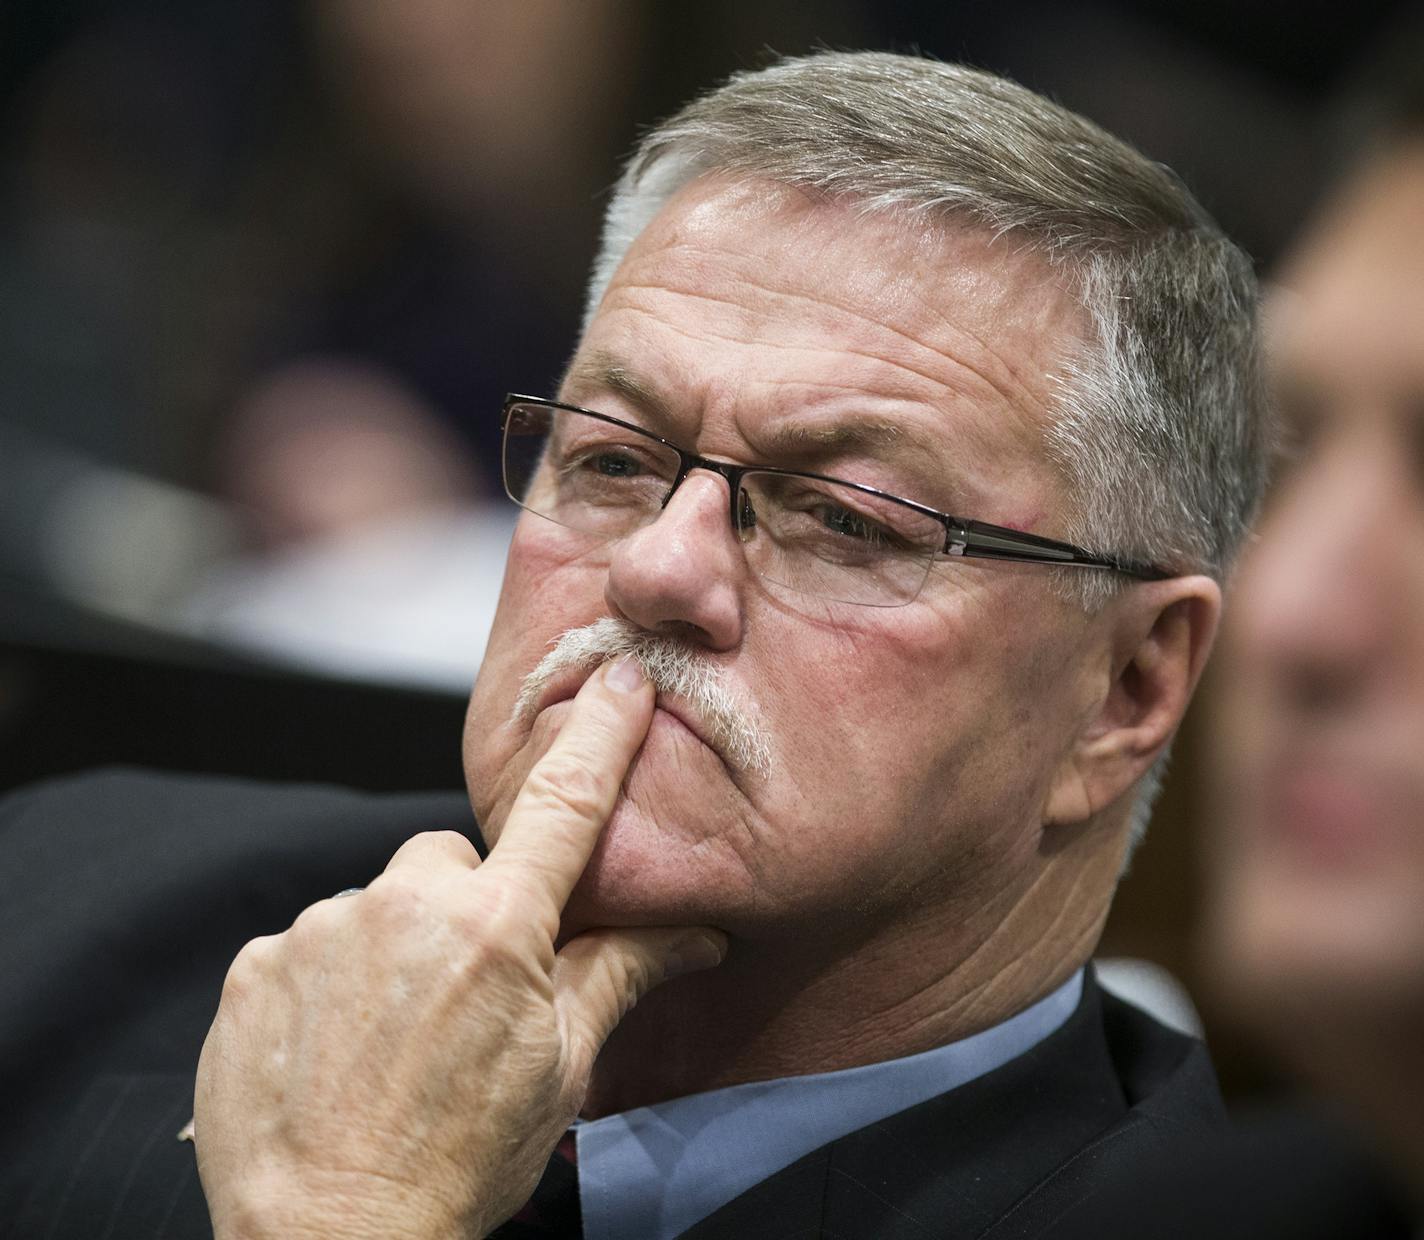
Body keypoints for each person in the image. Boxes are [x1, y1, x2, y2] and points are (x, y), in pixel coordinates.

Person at [0, 51, 1266, 1238]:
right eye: (611, 458)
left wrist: (350, 1204)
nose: (656, 568)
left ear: (1125, 688)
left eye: (840, 516)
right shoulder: (62, 894)